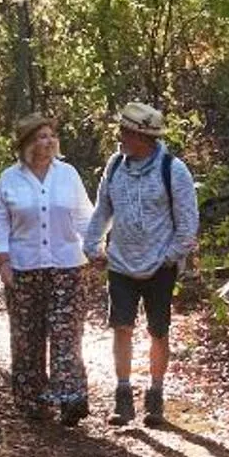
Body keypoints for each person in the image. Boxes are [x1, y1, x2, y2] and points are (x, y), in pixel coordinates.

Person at [85, 99, 200, 428]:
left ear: (143, 137)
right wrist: (91, 244)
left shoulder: (172, 169)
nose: (120, 137)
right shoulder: (115, 165)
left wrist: (169, 257)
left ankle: (155, 395)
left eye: (126, 132)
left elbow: (188, 222)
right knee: (121, 327)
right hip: (120, 263)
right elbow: (102, 208)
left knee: (158, 331)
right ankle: (123, 396)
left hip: (160, 268)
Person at [0, 115, 92, 425]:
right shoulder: (9, 179)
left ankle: (72, 398)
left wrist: (96, 248)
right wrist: (4, 261)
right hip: (24, 268)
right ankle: (32, 400)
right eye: (39, 137)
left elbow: (85, 216)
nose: (47, 142)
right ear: (25, 145)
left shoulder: (68, 174)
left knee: (66, 334)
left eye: (50, 136)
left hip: (67, 266)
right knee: (27, 337)